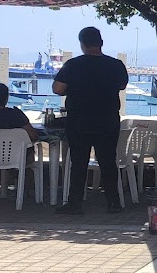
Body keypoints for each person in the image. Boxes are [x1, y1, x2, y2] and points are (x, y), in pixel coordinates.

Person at [52, 27, 129, 214]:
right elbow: (122, 85)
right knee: (108, 161)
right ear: (101, 43)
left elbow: (58, 89)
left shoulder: (73, 65)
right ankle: (113, 202)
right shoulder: (116, 65)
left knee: (79, 163)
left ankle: (75, 204)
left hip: (79, 120)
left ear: (82, 45)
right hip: (107, 119)